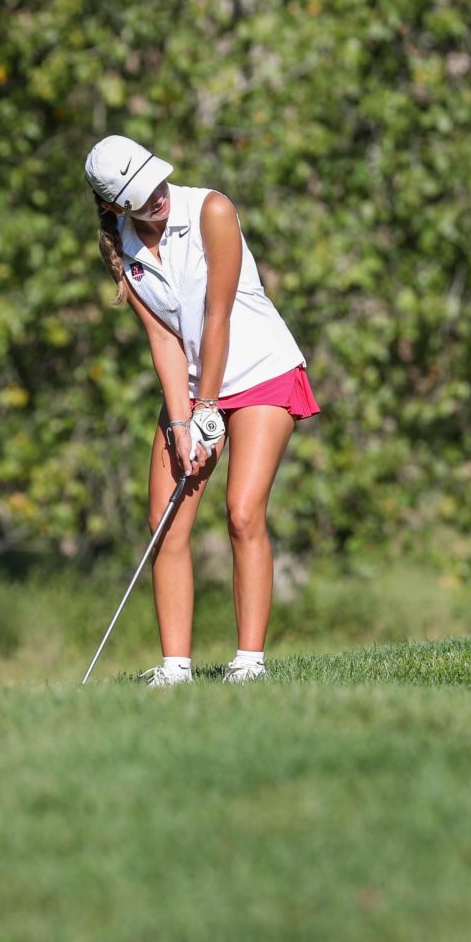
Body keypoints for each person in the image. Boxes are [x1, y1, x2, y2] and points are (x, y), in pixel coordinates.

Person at [84, 135, 320, 686]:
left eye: (156, 182)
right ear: (114, 206)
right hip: (191, 386)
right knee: (165, 523)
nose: (157, 197)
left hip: (260, 368)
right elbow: (164, 341)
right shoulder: (122, 246)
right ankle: (176, 669)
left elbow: (218, 315)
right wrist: (183, 419)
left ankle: (249, 662)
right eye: (140, 196)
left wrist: (207, 408)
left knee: (241, 512)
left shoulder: (212, 209)